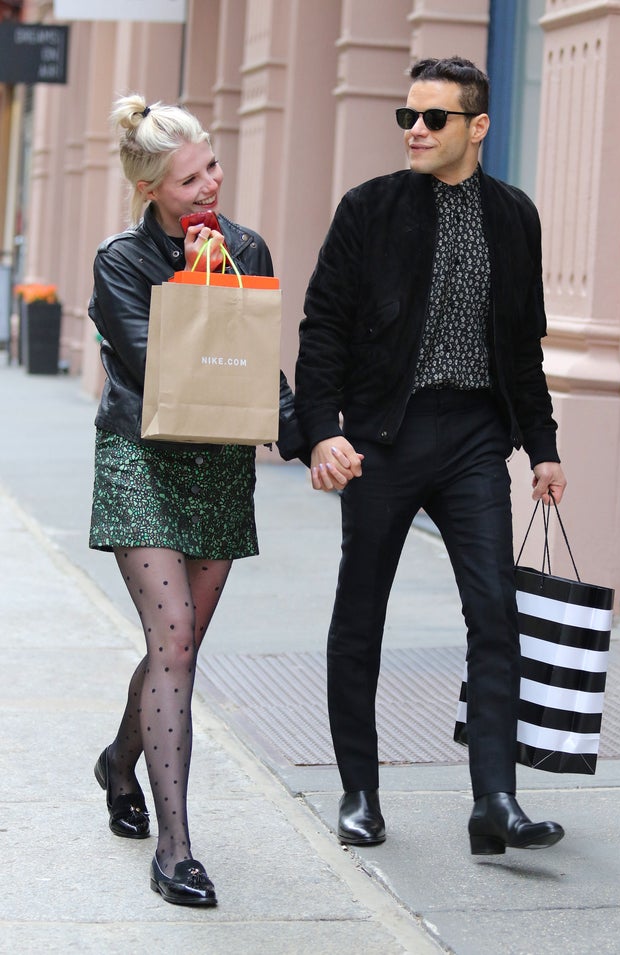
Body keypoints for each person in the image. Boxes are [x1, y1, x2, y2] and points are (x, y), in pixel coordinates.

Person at [294, 56, 567, 856]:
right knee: (361, 617)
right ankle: (359, 791)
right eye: (407, 117)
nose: (415, 129)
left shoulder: (515, 217)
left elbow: (523, 350)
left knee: (494, 612)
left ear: (477, 126)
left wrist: (543, 448)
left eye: (434, 118)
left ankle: (496, 800)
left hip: (477, 436)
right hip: (385, 437)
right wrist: (320, 429)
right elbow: (323, 331)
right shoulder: (368, 210)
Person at [89, 94, 305, 906]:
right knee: (173, 635)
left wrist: (307, 435)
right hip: (141, 457)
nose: (211, 184)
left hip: (216, 462)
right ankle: (176, 848)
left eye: (212, 165)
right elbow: (158, 372)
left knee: (174, 648)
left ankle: (119, 759)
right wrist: (198, 273)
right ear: (153, 190)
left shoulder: (246, 245)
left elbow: (256, 363)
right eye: (190, 178)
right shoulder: (120, 260)